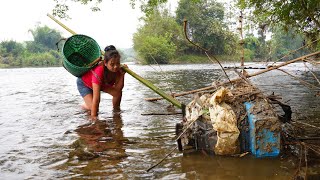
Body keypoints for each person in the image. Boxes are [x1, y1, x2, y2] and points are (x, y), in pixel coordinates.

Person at [76, 45, 127, 120]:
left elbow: (118, 90)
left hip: (102, 83)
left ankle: (116, 111)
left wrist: (122, 75)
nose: (115, 67)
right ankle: (84, 106)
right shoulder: (99, 71)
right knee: (92, 109)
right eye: (112, 64)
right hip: (85, 83)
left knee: (118, 93)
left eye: (117, 63)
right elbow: (97, 99)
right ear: (105, 63)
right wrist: (94, 119)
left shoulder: (118, 69)